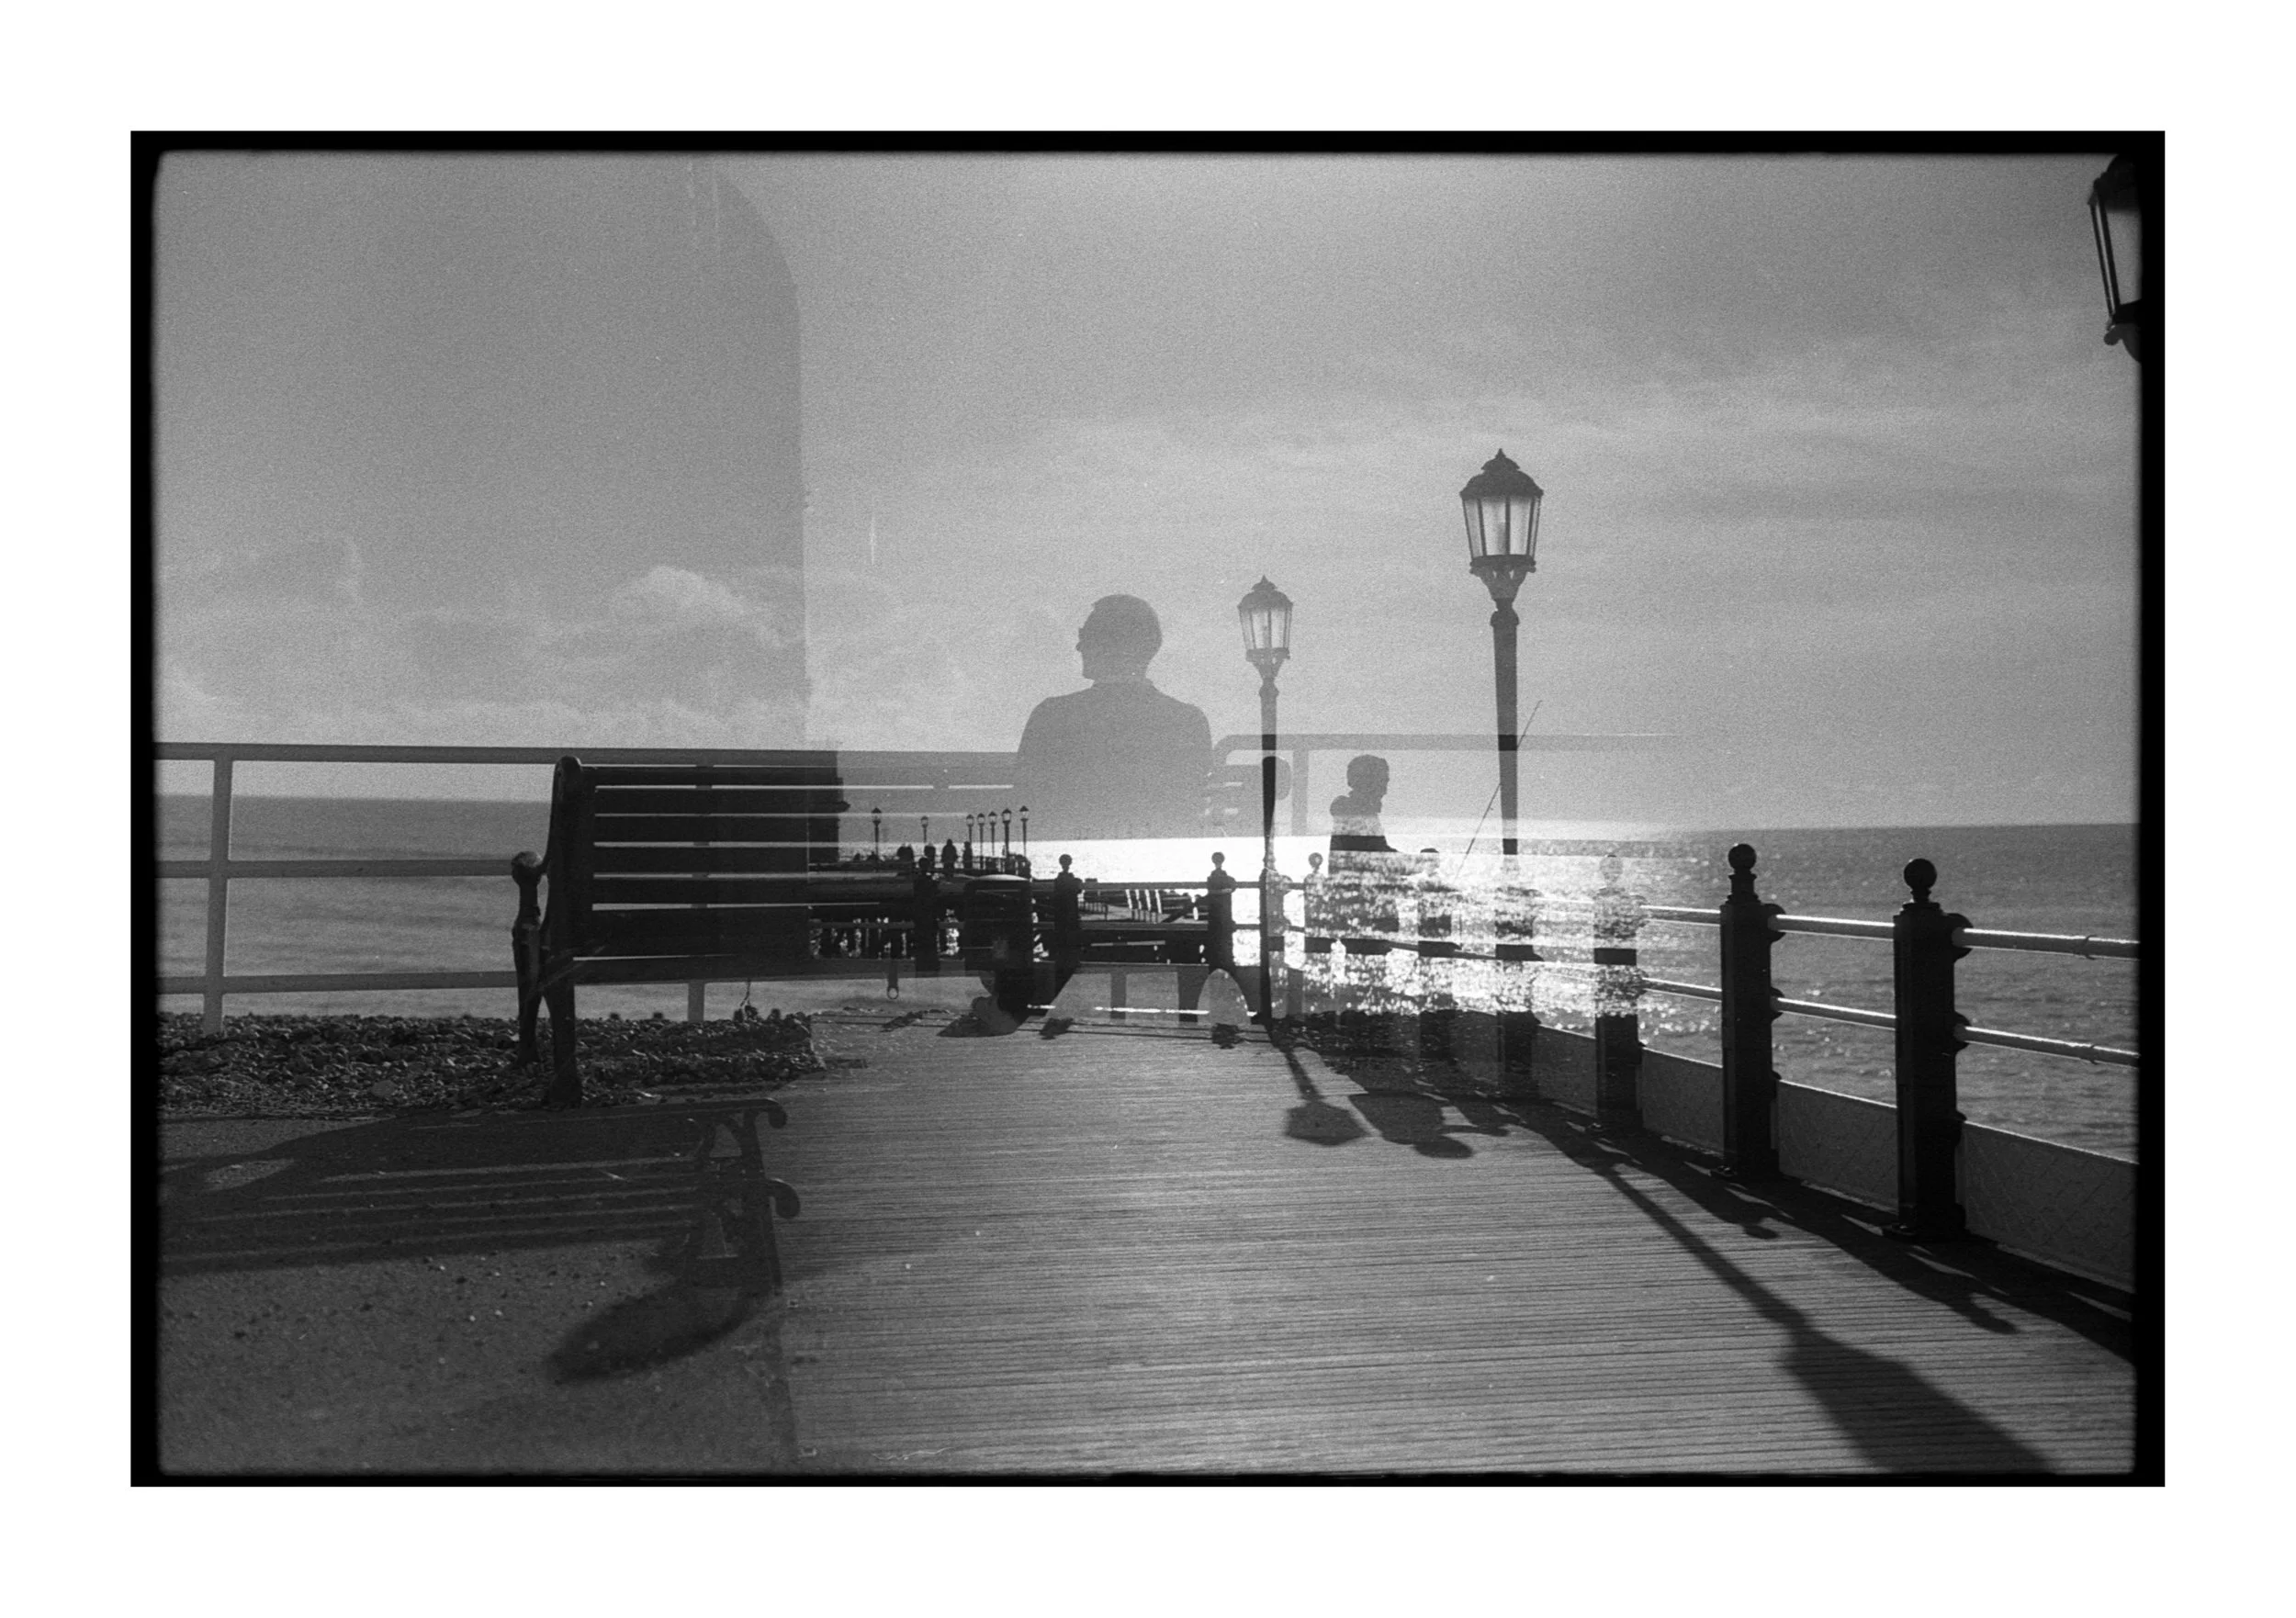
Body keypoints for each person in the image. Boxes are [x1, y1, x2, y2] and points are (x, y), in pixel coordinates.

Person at [1014, 595, 1212, 842]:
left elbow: (1027, 806)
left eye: (1085, 636)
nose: (1079, 647)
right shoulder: (1188, 720)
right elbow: (1186, 811)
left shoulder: (1051, 716)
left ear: (1107, 644)